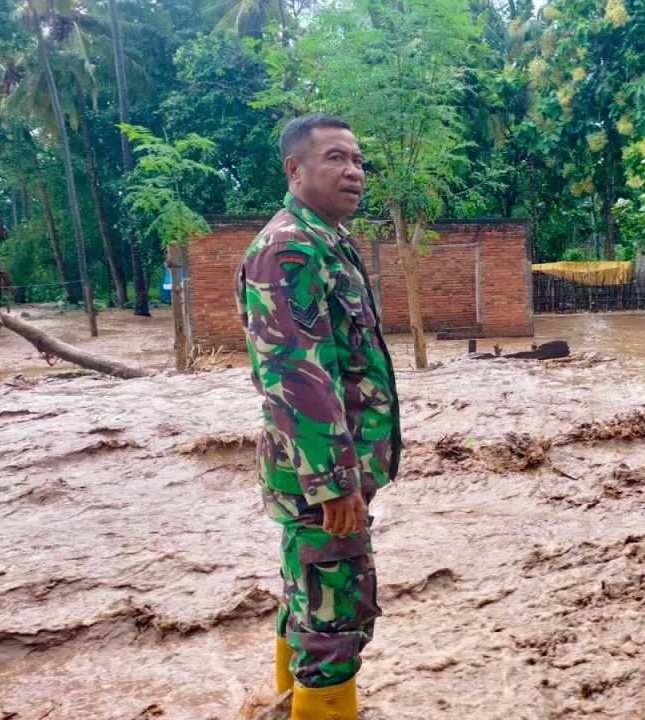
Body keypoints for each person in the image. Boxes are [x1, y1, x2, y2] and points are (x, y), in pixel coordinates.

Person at [235, 114, 400, 720]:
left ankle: (281, 708)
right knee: (335, 622)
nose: (353, 171)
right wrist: (335, 485)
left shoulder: (328, 241)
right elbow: (297, 377)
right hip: (322, 479)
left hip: (325, 474)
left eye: (357, 160)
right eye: (335, 158)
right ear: (294, 169)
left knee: (309, 602)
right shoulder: (290, 249)